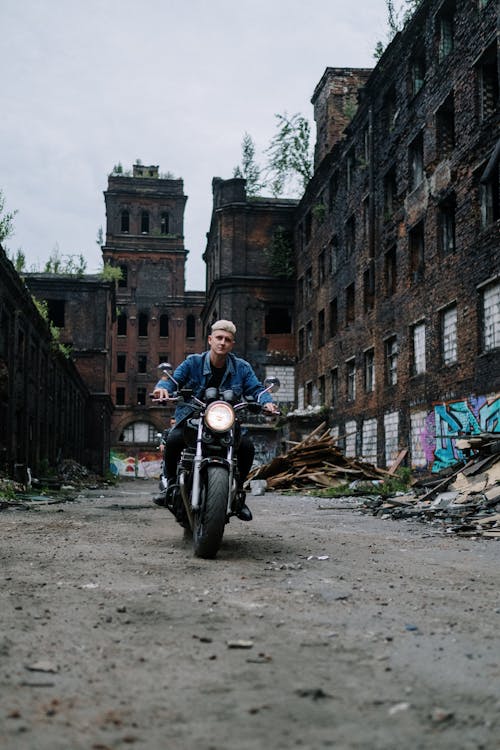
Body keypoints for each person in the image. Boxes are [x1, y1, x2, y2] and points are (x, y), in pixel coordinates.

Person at [152, 319, 278, 520]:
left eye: (227, 339)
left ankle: (238, 493)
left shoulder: (242, 368)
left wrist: (267, 402)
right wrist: (162, 390)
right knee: (174, 440)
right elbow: (174, 380)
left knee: (246, 447)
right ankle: (169, 483)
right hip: (193, 417)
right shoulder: (193, 362)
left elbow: (256, 390)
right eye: (219, 338)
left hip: (225, 421)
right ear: (210, 340)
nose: (222, 342)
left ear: (232, 344)